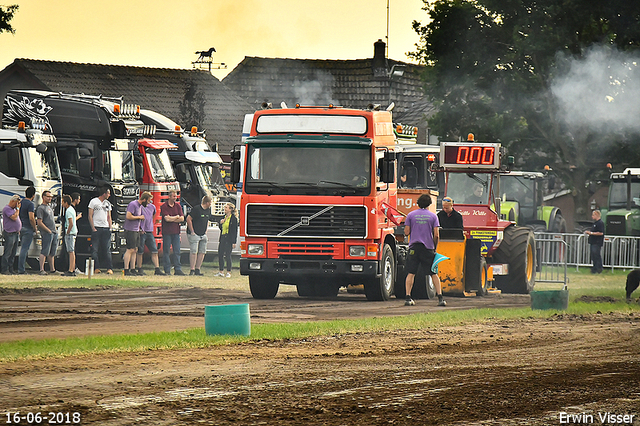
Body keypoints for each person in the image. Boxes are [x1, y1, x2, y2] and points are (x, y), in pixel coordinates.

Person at [403, 194, 446, 307]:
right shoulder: (433, 216)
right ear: (429, 204)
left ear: (418, 203)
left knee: (411, 273)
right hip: (428, 248)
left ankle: (408, 297)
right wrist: (434, 248)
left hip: (414, 248)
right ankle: (440, 298)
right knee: (433, 273)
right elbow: (436, 235)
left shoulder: (411, 215)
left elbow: (406, 232)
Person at [136, 192, 165, 276]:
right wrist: (140, 228)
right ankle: (139, 268)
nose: (150, 201)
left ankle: (157, 268)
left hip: (149, 231)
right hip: (142, 231)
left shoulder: (152, 207)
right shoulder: (139, 207)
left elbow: (153, 215)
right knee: (140, 251)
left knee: (154, 250)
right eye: (149, 200)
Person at [88, 186, 113, 275]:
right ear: (104, 193)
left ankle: (109, 268)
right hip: (97, 227)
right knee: (95, 249)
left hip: (105, 228)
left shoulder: (107, 203)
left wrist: (110, 227)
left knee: (106, 249)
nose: (109, 195)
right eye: (108, 193)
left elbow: (109, 216)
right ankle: (96, 268)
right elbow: (90, 215)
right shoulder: (94, 202)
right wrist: (93, 227)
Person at [160, 190, 185, 276]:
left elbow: (182, 218)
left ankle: (177, 269)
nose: (175, 198)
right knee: (166, 251)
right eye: (174, 196)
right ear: (169, 197)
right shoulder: (164, 206)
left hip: (176, 232)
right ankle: (167, 269)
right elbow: (167, 219)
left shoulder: (178, 206)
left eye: (176, 196)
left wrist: (172, 218)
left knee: (177, 251)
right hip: (167, 232)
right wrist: (176, 217)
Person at [186, 195, 212, 276]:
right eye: (210, 203)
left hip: (203, 233)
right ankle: (192, 269)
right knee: (194, 251)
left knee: (202, 251)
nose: (211, 204)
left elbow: (208, 220)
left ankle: (198, 269)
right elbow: (188, 219)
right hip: (195, 233)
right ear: (207, 203)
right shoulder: (196, 209)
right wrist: (192, 231)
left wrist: (206, 231)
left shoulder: (208, 210)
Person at [123, 193, 146, 276]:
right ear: (144, 199)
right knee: (130, 249)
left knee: (135, 249)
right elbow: (128, 216)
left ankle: (133, 268)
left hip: (136, 230)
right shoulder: (133, 204)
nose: (148, 203)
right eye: (148, 201)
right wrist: (139, 217)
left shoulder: (140, 206)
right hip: (130, 230)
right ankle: (126, 269)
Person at [36, 190, 57, 275]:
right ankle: (41, 269)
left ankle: (52, 269)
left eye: (51, 197)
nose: (50, 198)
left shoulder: (50, 207)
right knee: (45, 251)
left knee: (52, 252)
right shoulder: (41, 208)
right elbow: (39, 222)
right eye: (48, 197)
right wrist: (48, 230)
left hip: (53, 232)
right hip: (47, 232)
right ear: (43, 197)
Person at [215, 202, 238, 278]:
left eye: (226, 208)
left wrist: (234, 241)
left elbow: (234, 230)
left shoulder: (233, 219)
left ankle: (228, 271)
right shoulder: (224, 217)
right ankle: (221, 271)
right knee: (220, 254)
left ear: (230, 209)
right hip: (223, 237)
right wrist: (220, 223)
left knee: (228, 255)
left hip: (229, 238)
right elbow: (221, 228)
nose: (225, 209)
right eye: (225, 208)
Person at [17, 186, 37, 274]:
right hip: (28, 228)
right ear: (33, 195)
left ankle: (22, 266)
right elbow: (31, 218)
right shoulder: (30, 204)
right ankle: (21, 269)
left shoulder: (21, 202)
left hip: (20, 226)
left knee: (22, 248)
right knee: (24, 249)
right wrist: (35, 228)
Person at [2, 195, 22, 274]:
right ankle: (5, 269)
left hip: (16, 233)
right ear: (13, 201)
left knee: (13, 252)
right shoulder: (7, 209)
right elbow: (14, 218)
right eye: (17, 203)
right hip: (9, 233)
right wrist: (17, 209)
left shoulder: (14, 209)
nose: (17, 205)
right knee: (8, 252)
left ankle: (11, 268)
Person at [61, 195, 78, 277]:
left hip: (70, 233)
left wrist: (67, 232)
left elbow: (70, 223)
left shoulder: (68, 211)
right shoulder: (72, 209)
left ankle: (71, 269)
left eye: (62, 202)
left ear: (66, 202)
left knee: (71, 252)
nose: (62, 203)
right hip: (73, 232)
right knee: (71, 251)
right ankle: (72, 268)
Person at [585, 209, 605, 274]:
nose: (592, 216)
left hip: (597, 242)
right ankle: (594, 268)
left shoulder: (600, 223)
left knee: (596, 255)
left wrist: (591, 233)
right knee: (593, 256)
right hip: (593, 242)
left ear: (597, 215)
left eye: (593, 215)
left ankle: (599, 268)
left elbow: (601, 233)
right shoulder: (595, 223)